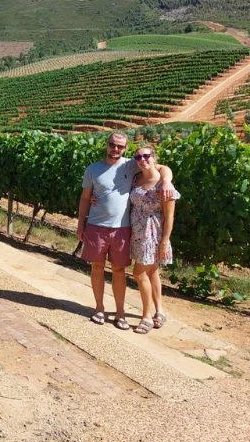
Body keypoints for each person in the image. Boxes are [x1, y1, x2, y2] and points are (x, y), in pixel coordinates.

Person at [76, 132, 173, 330]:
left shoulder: (132, 164)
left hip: (123, 229)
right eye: (113, 144)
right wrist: (80, 224)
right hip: (96, 226)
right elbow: (85, 197)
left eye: (120, 146)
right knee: (96, 268)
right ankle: (99, 308)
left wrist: (167, 181)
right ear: (107, 145)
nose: (116, 149)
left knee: (119, 271)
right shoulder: (93, 169)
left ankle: (120, 313)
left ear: (125, 148)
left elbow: (162, 167)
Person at [129, 145, 180, 334]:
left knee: (138, 273)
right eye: (138, 157)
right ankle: (159, 312)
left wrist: (165, 241)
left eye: (146, 156)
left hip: (152, 233)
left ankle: (146, 316)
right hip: (136, 232)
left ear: (154, 157)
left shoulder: (164, 184)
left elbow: (169, 216)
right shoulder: (136, 177)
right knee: (152, 272)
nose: (142, 159)